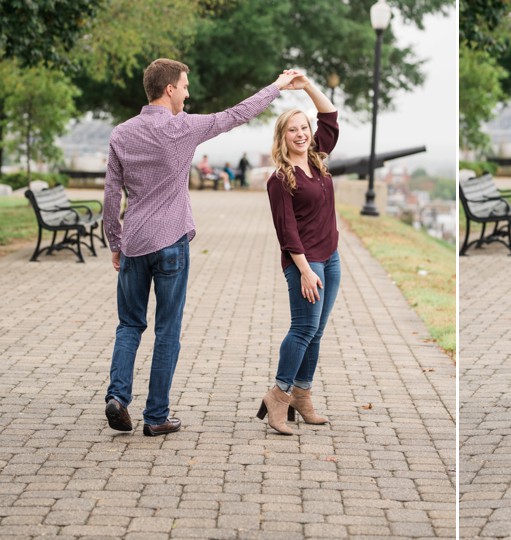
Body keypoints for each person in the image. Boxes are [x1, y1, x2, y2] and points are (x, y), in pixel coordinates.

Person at [102, 59, 298, 436]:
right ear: (169, 89)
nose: (188, 92)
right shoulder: (184, 127)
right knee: (168, 330)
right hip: (171, 241)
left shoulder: (121, 134)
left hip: (135, 242)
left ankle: (117, 397)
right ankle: (156, 416)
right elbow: (238, 113)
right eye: (185, 85)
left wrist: (116, 241)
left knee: (129, 324)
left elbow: (112, 194)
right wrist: (277, 86)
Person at [258, 74, 340, 435]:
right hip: (305, 261)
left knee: (316, 331)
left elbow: (331, 116)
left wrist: (306, 86)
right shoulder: (280, 179)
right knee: (303, 328)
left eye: (304, 127)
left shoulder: (318, 160)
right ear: (283, 137)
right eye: (293, 130)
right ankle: (278, 395)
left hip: (331, 256)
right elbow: (286, 232)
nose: (301, 134)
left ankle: (302, 396)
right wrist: (306, 271)